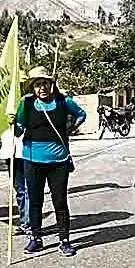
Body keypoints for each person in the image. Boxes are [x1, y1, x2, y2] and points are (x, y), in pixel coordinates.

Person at [12, 66, 86, 257]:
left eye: (45, 83)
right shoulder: (25, 104)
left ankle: (65, 240)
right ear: (32, 88)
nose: (42, 88)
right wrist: (12, 123)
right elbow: (18, 131)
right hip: (31, 159)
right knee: (35, 201)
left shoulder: (63, 101)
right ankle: (35, 238)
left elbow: (81, 114)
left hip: (58, 160)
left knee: (60, 201)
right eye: (38, 84)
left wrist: (69, 130)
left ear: (51, 84)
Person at [0, 129, 30, 236]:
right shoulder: (1, 112)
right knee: (19, 190)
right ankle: (24, 222)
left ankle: (29, 224)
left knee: (29, 191)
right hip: (10, 151)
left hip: (28, 151)